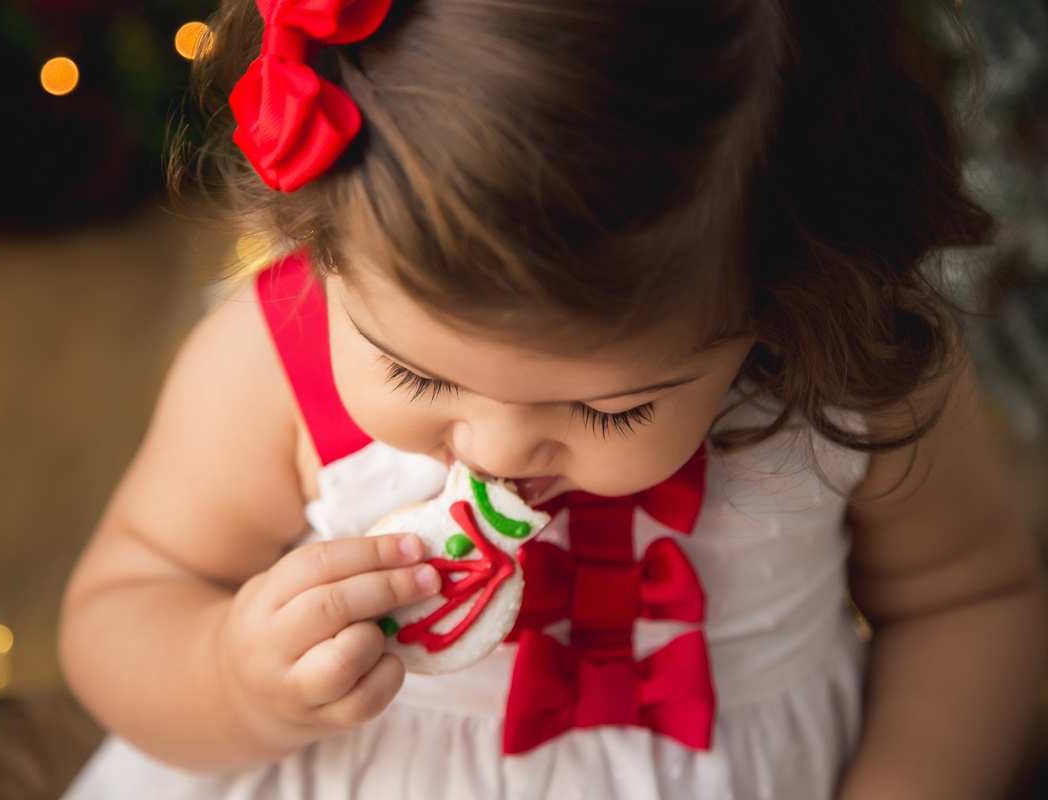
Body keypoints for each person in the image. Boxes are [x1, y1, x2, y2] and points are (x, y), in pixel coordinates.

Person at [58, 0, 1047, 797]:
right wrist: (232, 680)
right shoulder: (273, 361)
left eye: (613, 409)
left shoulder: (856, 369)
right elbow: (122, 605)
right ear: (321, 244)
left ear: (782, 291)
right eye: (416, 374)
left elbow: (973, 601)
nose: (494, 449)